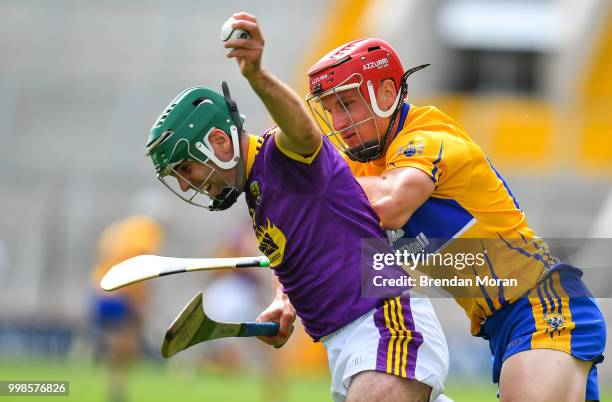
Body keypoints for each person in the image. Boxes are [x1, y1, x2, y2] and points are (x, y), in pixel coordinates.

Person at [144, 13, 450, 402]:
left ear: (220, 142)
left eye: (186, 168)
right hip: (347, 346)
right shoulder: (258, 196)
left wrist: (256, 75)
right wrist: (282, 301)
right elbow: (292, 257)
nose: (187, 184)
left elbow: (304, 130)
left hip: (386, 326)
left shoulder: (282, 154)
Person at [303, 38, 606, 401]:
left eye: (347, 104)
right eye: (329, 109)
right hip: (502, 326)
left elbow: (391, 205)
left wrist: (315, 179)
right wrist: (284, 297)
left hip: (544, 306)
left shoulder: (427, 138)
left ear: (385, 92)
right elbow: (311, 237)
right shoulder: (363, 166)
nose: (339, 123)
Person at [90, 216, 164, 402]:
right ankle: (117, 389)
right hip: (122, 292)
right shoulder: (147, 230)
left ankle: (116, 386)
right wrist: (141, 300)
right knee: (126, 344)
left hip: (101, 288)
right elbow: (141, 263)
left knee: (118, 344)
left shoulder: (117, 228)